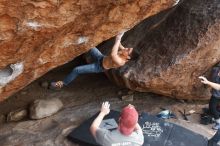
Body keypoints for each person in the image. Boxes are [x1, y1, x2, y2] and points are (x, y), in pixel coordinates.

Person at [50, 32, 133, 89]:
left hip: (99, 67)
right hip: (101, 57)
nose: (126, 48)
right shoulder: (124, 52)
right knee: (89, 45)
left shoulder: (120, 62)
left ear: (128, 57)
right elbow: (119, 43)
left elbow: (113, 54)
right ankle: (75, 38)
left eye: (128, 50)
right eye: (128, 48)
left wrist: (118, 39)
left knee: (77, 70)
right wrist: (120, 34)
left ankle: (62, 83)